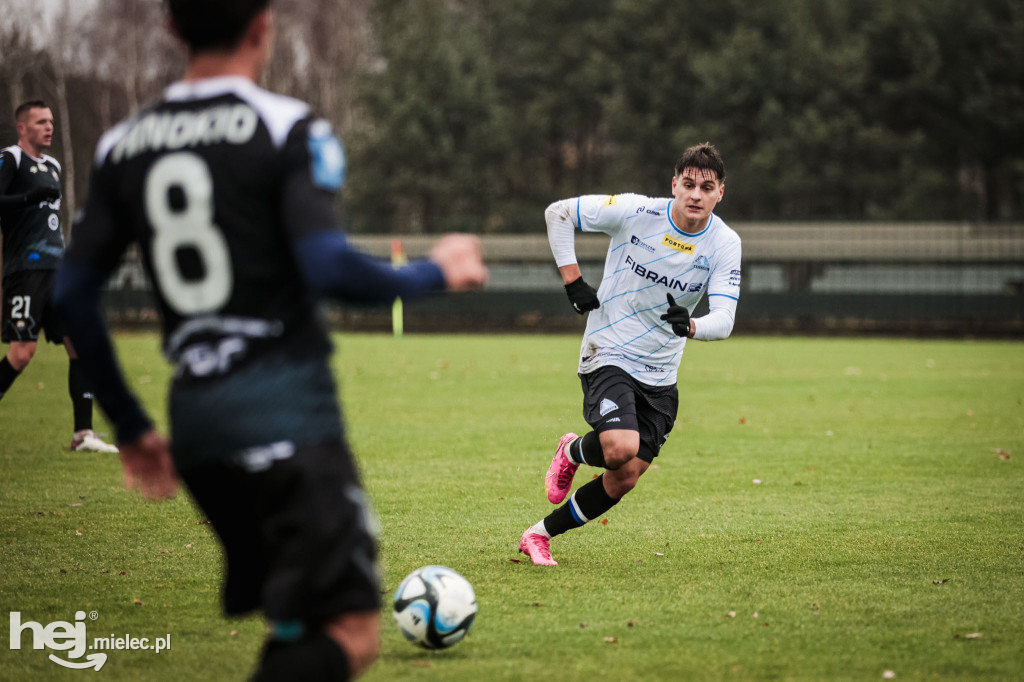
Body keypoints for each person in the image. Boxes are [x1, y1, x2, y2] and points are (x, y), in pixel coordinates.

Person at [52, 1, 487, 680]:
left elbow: (73, 294)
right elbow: (328, 266)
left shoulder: (121, 145)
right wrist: (438, 270)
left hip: (196, 427)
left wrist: (132, 425)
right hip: (286, 416)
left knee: (292, 624)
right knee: (349, 632)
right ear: (263, 25)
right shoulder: (285, 128)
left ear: (172, 28)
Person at [518, 143, 741, 566]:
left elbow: (725, 319)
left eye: (706, 187)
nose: (696, 194)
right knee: (620, 447)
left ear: (720, 194)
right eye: (688, 184)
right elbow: (558, 213)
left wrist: (690, 326)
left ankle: (538, 533)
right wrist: (573, 281)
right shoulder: (637, 211)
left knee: (623, 478)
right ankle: (573, 453)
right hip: (610, 350)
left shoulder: (725, 243)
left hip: (661, 372)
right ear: (674, 184)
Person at [0, 100, 118, 453]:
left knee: (78, 344)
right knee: (22, 353)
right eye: (40, 122)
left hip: (58, 270)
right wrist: (28, 197)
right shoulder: (11, 159)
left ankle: (83, 434)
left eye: (51, 121)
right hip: (26, 269)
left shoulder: (52, 165)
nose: (49, 127)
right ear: (23, 128)